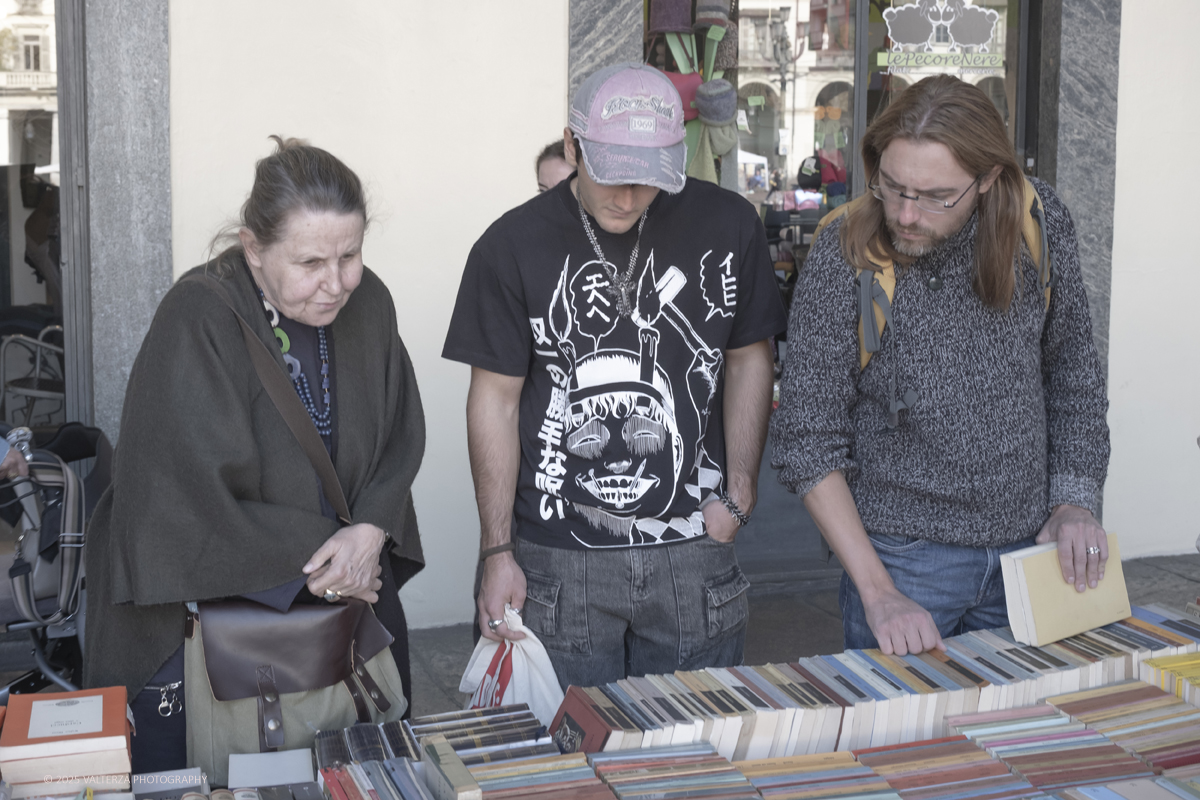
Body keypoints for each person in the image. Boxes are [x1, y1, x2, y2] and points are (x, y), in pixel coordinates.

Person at [83, 137, 425, 772]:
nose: (335, 283)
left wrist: (373, 528)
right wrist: (335, 552)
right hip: (211, 619)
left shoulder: (368, 301)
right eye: (310, 262)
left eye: (350, 254)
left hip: (351, 591)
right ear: (252, 248)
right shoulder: (198, 317)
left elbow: (401, 428)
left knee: (365, 768)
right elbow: (179, 499)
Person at [443, 63, 786, 689]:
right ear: (572, 145)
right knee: (568, 766)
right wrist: (497, 551)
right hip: (556, 555)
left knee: (692, 759)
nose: (627, 197)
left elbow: (749, 356)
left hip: (693, 547)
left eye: (649, 180)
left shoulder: (729, 224)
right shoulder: (510, 244)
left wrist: (740, 491)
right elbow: (492, 399)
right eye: (610, 175)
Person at [770, 75, 1110, 657]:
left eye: (934, 196)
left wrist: (1075, 498)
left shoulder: (1039, 223)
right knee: (904, 743)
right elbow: (806, 439)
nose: (904, 213)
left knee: (1024, 737)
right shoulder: (845, 251)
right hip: (903, 562)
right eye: (893, 186)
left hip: (1033, 552)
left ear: (987, 179)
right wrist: (878, 593)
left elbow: (1073, 373)